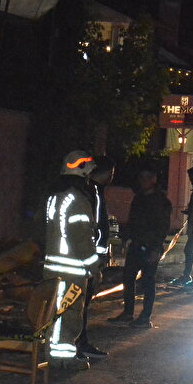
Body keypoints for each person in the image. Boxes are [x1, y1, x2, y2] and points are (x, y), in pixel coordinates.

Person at [36, 150, 100, 365]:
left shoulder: (55, 196)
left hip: (53, 266)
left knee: (54, 313)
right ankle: (61, 359)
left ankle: (56, 355)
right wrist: (94, 265)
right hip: (71, 269)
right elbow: (81, 237)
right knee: (68, 315)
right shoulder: (77, 200)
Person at [110, 167, 172, 329]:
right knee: (128, 278)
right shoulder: (139, 198)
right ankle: (128, 312)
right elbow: (133, 220)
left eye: (146, 178)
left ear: (153, 179)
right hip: (137, 244)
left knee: (148, 281)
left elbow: (162, 227)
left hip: (150, 246)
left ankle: (145, 317)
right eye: (141, 178)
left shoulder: (161, 201)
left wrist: (156, 248)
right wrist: (126, 239)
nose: (143, 181)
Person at [75, 155, 115, 361]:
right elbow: (98, 228)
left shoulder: (83, 190)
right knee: (82, 302)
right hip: (88, 259)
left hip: (80, 257)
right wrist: (99, 260)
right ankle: (80, 342)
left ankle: (76, 341)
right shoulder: (95, 193)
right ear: (108, 173)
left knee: (77, 302)